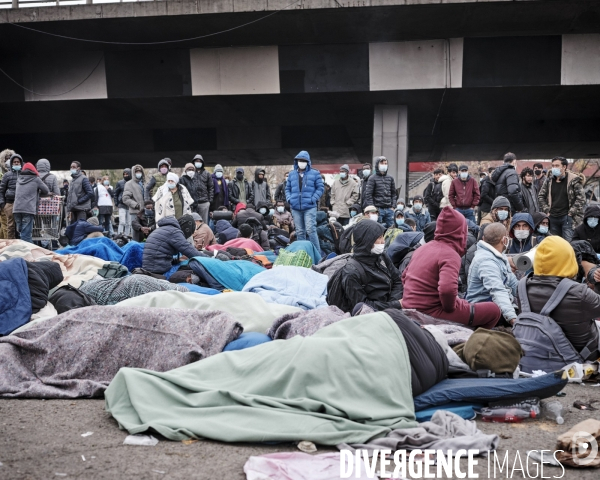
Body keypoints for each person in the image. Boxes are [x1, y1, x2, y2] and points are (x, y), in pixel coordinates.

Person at [401, 207, 501, 328]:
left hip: (410, 308)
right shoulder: (450, 253)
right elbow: (447, 290)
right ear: (461, 232)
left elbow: (404, 276)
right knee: (494, 310)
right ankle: (473, 338)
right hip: (432, 312)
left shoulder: (422, 248)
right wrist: (452, 307)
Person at [518, 236, 600, 360]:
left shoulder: (522, 287)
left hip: (538, 353)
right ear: (568, 259)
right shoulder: (579, 293)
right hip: (577, 357)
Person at [327, 220, 402, 312]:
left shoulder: (381, 257)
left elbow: (398, 280)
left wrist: (393, 303)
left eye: (383, 236)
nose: (383, 241)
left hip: (390, 308)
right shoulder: (351, 272)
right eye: (379, 237)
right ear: (367, 240)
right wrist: (395, 305)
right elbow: (362, 306)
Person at [466, 223, 519, 325]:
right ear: (505, 240)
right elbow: (497, 291)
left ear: (484, 238)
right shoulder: (486, 262)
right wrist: (513, 319)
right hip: (484, 313)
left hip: (498, 307)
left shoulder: (499, 257)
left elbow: (513, 283)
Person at [538, 156, 585, 242]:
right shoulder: (549, 181)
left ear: (564, 167)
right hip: (552, 217)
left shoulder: (573, 180)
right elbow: (541, 196)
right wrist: (547, 210)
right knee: (555, 243)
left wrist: (571, 212)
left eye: (557, 166)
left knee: (569, 244)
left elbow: (581, 198)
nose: (554, 168)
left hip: (567, 218)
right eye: (553, 166)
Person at [285, 150, 324, 254]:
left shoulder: (315, 173)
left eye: (304, 160)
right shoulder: (292, 174)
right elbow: (287, 189)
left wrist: (313, 198)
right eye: (300, 160)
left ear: (308, 162)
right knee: (300, 232)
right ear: (296, 161)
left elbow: (320, 188)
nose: (301, 162)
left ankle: (317, 254)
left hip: (309, 207)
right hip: (295, 207)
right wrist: (290, 199)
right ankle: (302, 253)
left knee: (311, 230)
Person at [13, 162, 50, 244]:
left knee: (21, 233)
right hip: (28, 209)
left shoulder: (18, 178)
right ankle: (29, 253)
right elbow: (46, 190)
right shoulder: (36, 179)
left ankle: (23, 251)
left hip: (16, 209)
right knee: (26, 236)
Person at [363, 156, 397, 228]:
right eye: (382, 163)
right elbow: (368, 195)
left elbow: (394, 194)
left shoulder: (390, 178)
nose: (384, 165)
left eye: (385, 163)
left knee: (392, 229)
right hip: (378, 209)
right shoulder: (372, 178)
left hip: (389, 209)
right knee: (378, 229)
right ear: (377, 164)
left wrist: (393, 206)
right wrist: (373, 209)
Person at [0, 153, 23, 238]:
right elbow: (1, 190)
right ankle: (11, 246)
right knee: (10, 226)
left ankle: (22, 245)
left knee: (22, 225)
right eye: (14, 162)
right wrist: (2, 204)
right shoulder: (6, 175)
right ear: (11, 163)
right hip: (9, 203)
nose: (16, 163)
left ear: (21, 163)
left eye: (18, 162)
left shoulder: (24, 174)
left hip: (21, 203)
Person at [191, 155, 214, 225]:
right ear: (194, 162)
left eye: (199, 161)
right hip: (193, 202)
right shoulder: (191, 173)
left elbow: (211, 187)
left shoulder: (207, 173)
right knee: (193, 222)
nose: (198, 163)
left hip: (204, 202)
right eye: (196, 161)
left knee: (204, 223)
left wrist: (210, 201)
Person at [113, 168, 132, 237]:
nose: (125, 175)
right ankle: (119, 236)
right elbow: (116, 193)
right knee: (122, 222)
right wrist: (116, 203)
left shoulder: (133, 183)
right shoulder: (120, 183)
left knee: (128, 223)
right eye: (124, 174)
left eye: (127, 174)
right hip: (121, 204)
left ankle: (127, 237)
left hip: (130, 205)